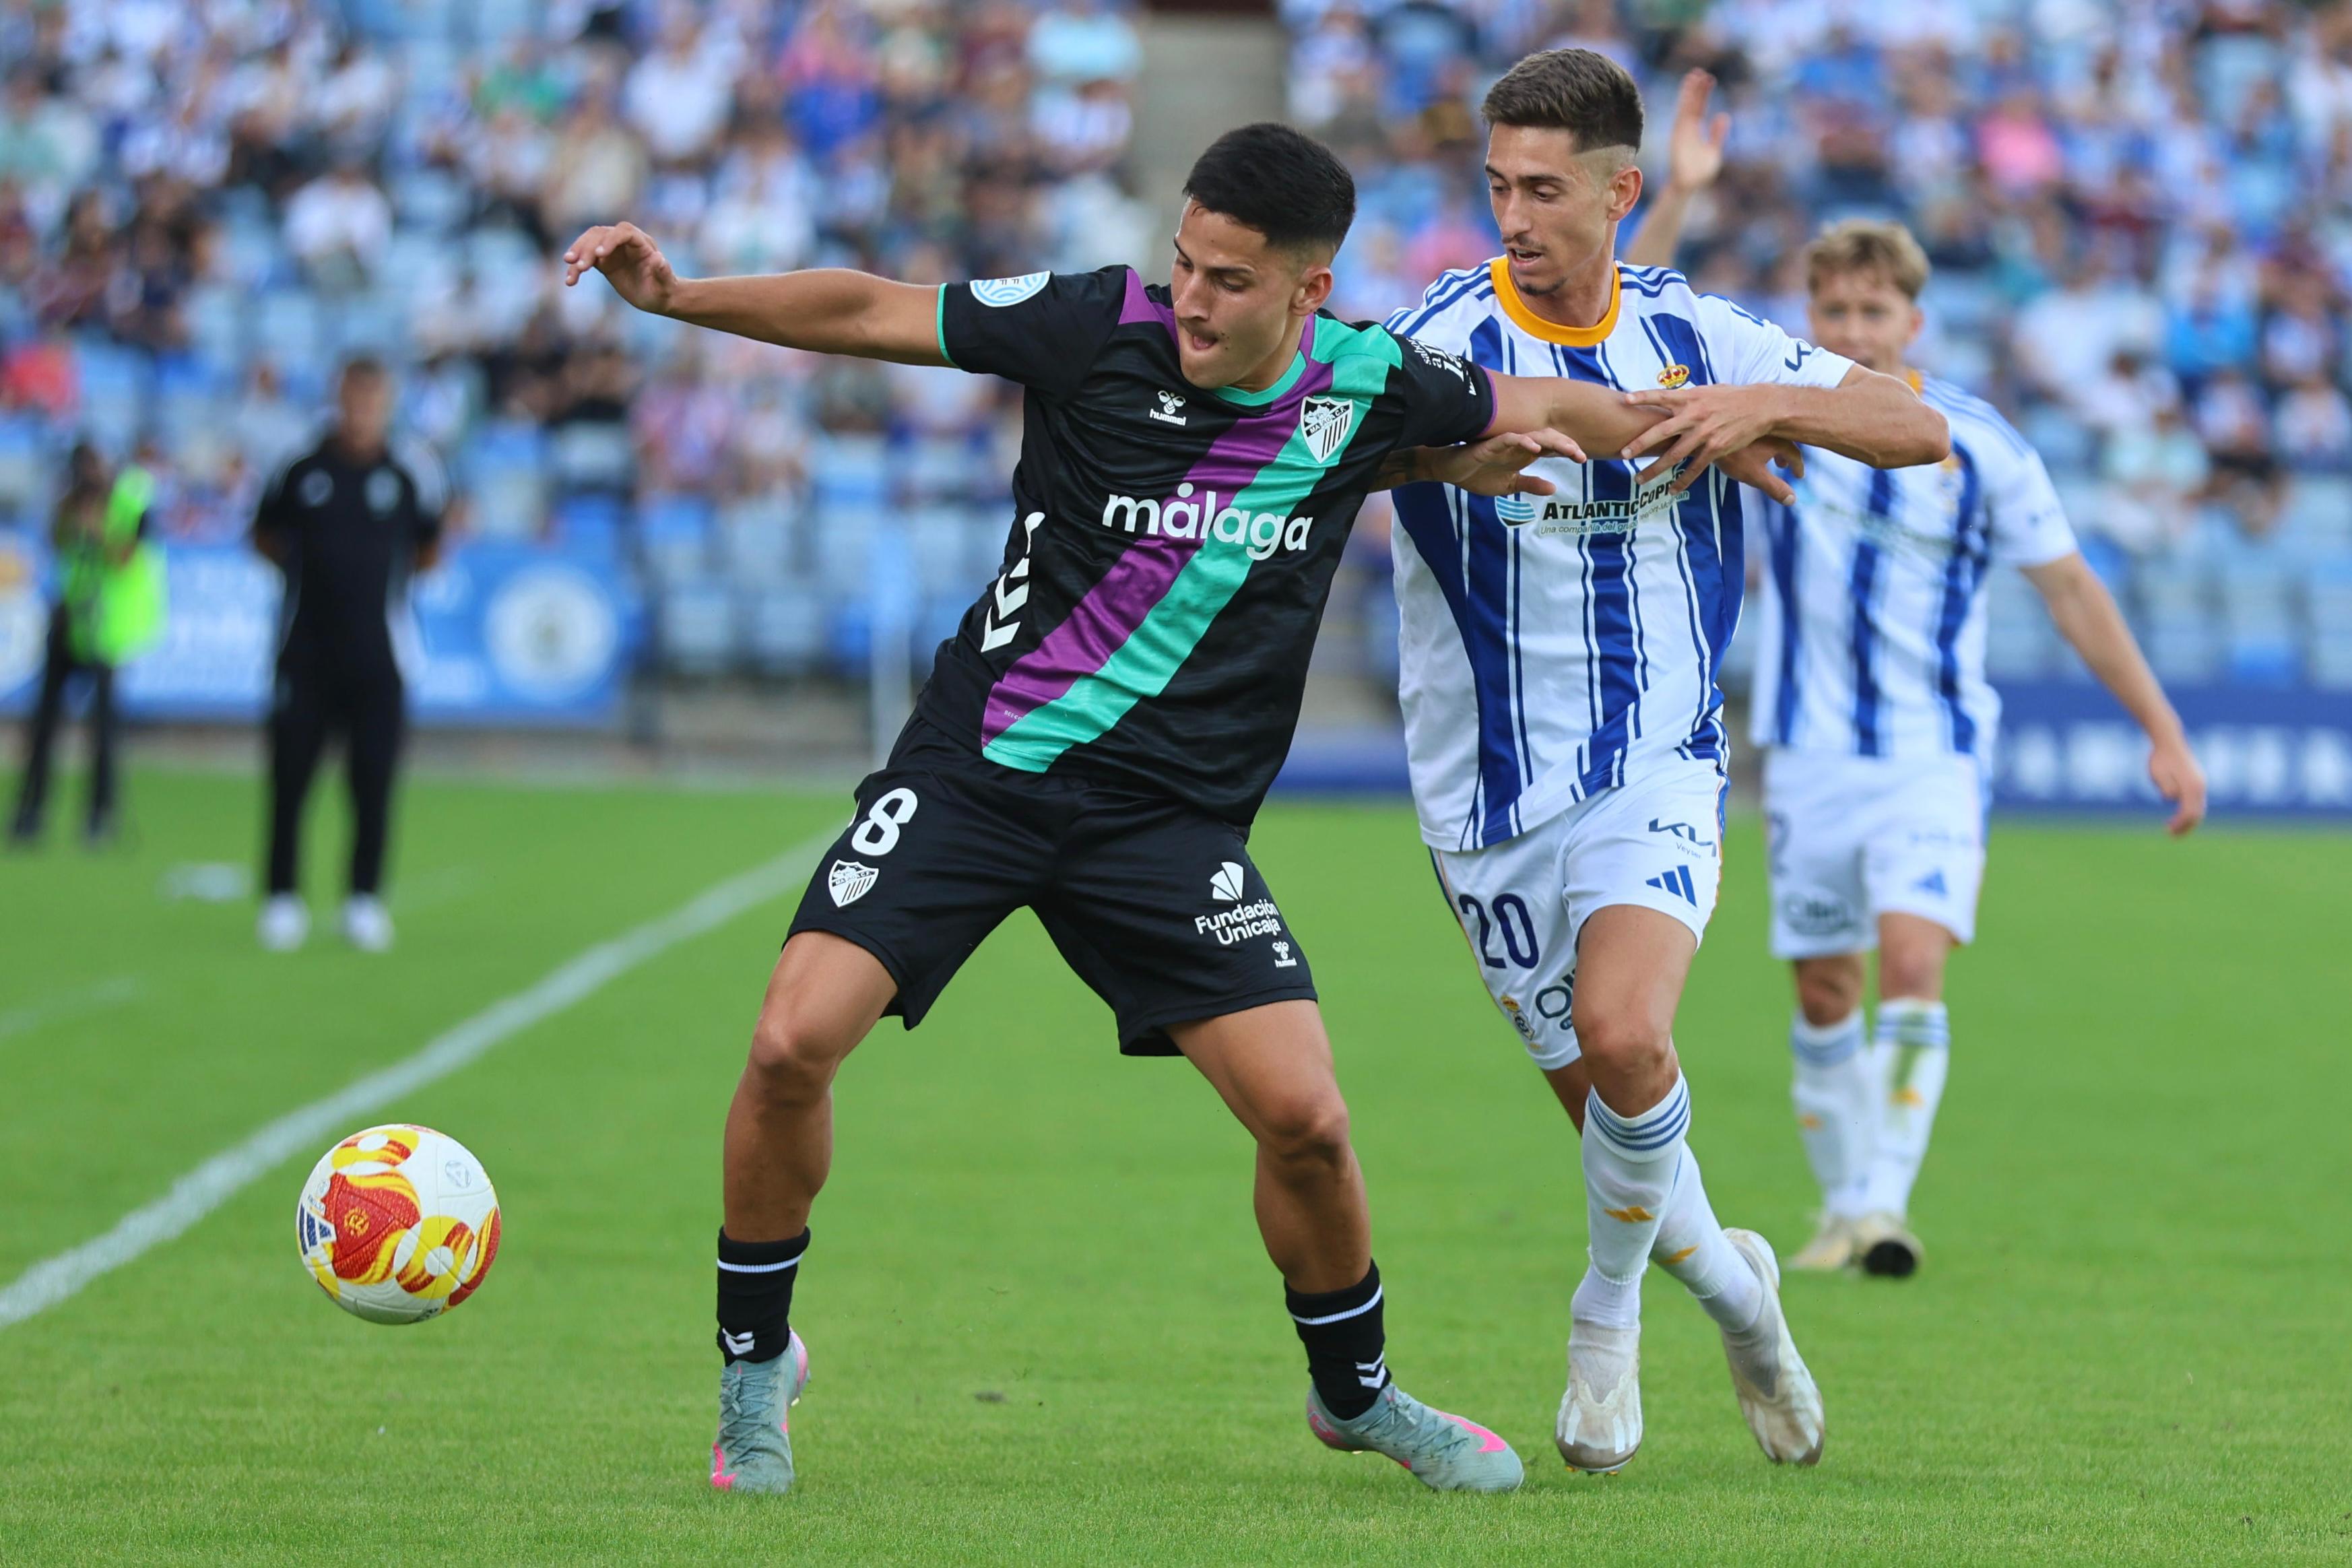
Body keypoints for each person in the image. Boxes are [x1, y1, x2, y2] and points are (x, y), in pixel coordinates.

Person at [562, 120, 1805, 1498]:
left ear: (1308, 290)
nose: (1192, 302)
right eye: (1184, 266)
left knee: (1307, 1121)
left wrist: (1735, 420)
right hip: (980, 769)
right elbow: (869, 310)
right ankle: (755, 1367)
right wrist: (678, 296)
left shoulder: (1371, 384)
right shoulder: (1095, 324)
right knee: (791, 1040)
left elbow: (1557, 406)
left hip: (1164, 827)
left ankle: (1357, 1395)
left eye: (1228, 280)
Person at [1383, 50, 1951, 1475]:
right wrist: (1436, 461)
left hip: (1656, 760)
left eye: (1544, 188)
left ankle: (1603, 1315)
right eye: (1497, 185)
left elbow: (1916, 424)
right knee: (1617, 1122)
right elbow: (1307, 444)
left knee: (1630, 1037)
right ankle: (1744, 1299)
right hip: (1481, 800)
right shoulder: (1438, 340)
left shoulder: (1695, 331)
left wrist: (1764, 408)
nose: (1513, 215)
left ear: (1621, 191)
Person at [1627, 81, 2207, 1276]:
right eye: (1834, 308)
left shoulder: (1979, 443)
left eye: (1874, 309)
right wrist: (1681, 189)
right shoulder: (1769, 420)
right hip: (1807, 752)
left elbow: (2070, 589)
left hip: (1933, 753)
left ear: (1913, 320)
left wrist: (2160, 727)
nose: (1854, 328)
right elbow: (1638, 320)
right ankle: (1843, 1210)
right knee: (1824, 991)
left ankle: (1883, 1206)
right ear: (1811, 315)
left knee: (1911, 963)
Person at [250, 357, 446, 953]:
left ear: (386, 404)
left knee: (373, 781)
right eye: (352, 399)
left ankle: (364, 899)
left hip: (379, 655)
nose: (361, 412)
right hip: (304, 651)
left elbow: (430, 546)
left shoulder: (410, 470)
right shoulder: (301, 466)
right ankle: (282, 897)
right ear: (338, 399)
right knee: (290, 778)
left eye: (372, 400)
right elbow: (263, 534)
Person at [7, 441, 157, 847]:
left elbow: (126, 557)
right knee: (44, 726)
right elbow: (57, 544)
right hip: (71, 621)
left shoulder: (129, 501)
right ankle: (30, 812)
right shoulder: (68, 504)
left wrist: (97, 528)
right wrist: (70, 513)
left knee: (104, 730)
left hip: (106, 630)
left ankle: (100, 816)